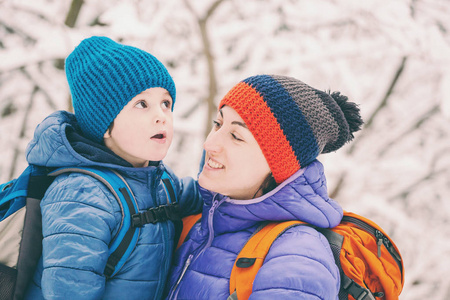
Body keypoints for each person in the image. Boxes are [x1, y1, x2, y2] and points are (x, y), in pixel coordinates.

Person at [24, 36, 202, 300]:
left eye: (166, 103)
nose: (161, 115)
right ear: (104, 124)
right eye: (142, 104)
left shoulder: (161, 182)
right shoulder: (81, 195)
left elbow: (210, 196)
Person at [165, 74, 364, 299]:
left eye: (235, 136)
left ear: (277, 164)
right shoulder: (200, 222)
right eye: (218, 124)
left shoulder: (295, 257)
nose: (209, 144)